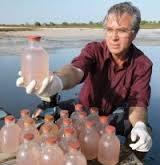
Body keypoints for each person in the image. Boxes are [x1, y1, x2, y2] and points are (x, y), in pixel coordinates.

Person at [16, 2, 152, 152]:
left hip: (114, 115)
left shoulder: (143, 64)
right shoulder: (94, 50)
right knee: (42, 113)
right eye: (109, 29)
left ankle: (129, 162)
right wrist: (58, 81)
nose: (113, 37)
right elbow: (75, 70)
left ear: (134, 33)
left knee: (143, 132)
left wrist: (140, 125)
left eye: (121, 31)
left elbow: (138, 103)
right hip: (83, 108)